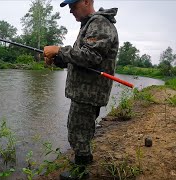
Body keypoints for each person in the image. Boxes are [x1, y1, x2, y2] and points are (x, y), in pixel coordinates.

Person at [43, 0, 119, 179]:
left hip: (89, 93)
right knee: (77, 130)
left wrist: (59, 50)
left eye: (73, 6)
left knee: (80, 132)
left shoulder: (99, 23)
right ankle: (82, 164)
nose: (70, 11)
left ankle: (81, 173)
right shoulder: (89, 25)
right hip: (83, 93)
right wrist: (56, 58)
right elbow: (79, 59)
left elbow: (91, 56)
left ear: (87, 1)